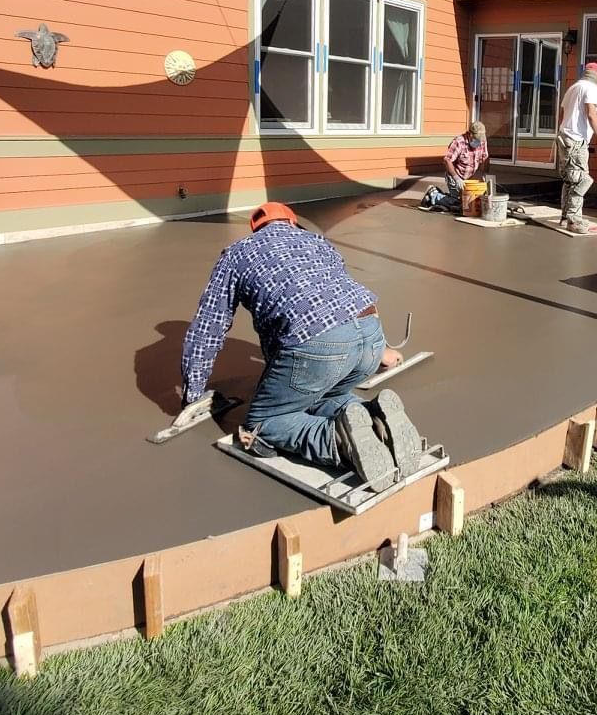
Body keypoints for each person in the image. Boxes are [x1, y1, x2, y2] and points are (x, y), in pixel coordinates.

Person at [181, 202, 421, 489]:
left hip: (319, 344)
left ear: (256, 228)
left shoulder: (237, 254)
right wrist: (381, 350)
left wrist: (193, 393)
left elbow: (208, 329)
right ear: (293, 223)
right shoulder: (316, 241)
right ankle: (377, 421)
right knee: (319, 393)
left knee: (261, 423)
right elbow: (343, 292)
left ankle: (337, 441)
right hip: (370, 332)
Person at [555, 61, 597, 232]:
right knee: (581, 179)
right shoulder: (591, 88)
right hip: (576, 140)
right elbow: (591, 113)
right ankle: (574, 221)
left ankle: (565, 217)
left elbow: (563, 115)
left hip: (564, 137)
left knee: (570, 179)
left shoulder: (573, 87)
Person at [440, 121, 489, 209]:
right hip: (456, 175)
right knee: (460, 204)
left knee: (472, 203)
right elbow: (447, 160)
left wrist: (483, 174)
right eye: (476, 139)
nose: (479, 142)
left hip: (470, 177)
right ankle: (434, 195)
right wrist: (456, 178)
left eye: (480, 139)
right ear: (470, 135)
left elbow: (485, 158)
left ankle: (447, 197)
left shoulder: (482, 141)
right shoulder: (459, 142)